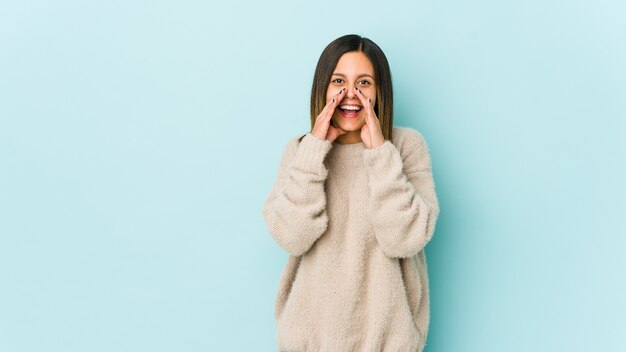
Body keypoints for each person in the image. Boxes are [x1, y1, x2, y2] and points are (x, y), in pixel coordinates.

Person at [262, 34, 440, 352]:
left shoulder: (406, 147)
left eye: (364, 83)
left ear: (380, 92)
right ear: (323, 88)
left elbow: (403, 238)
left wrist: (378, 153)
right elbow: (292, 236)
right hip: (308, 342)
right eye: (339, 81)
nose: (350, 94)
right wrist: (314, 150)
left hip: (387, 342)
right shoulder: (300, 151)